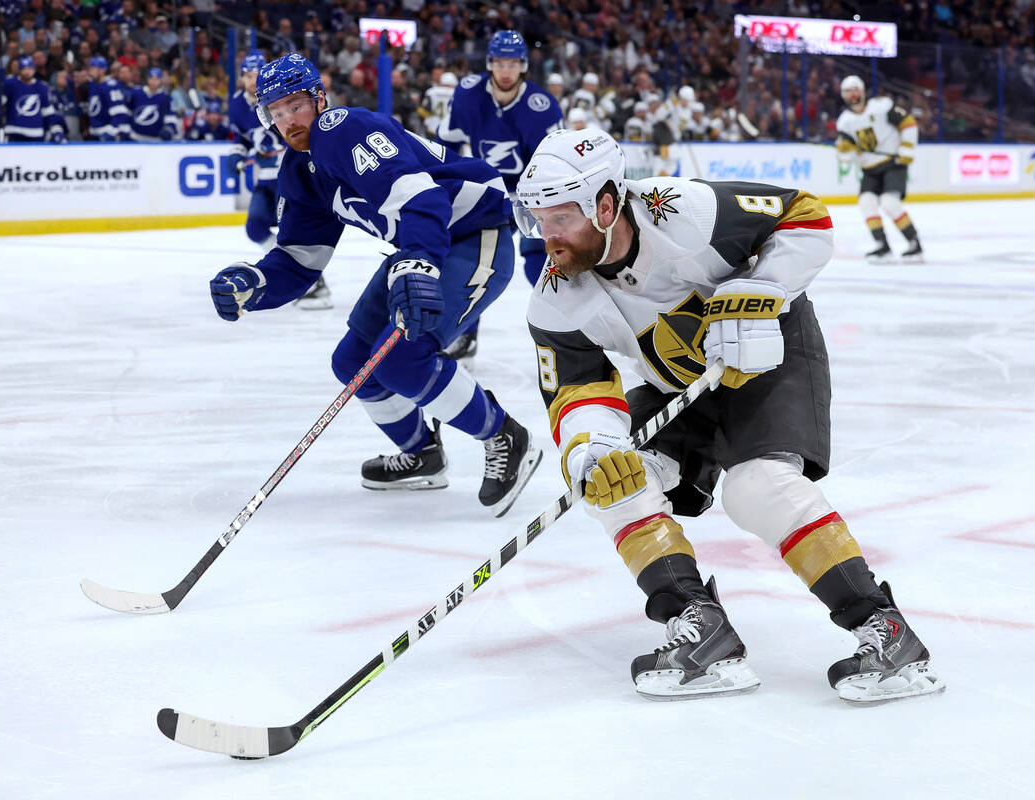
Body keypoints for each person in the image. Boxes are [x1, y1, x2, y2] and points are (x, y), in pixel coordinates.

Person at [515, 128, 945, 704]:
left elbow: (805, 215)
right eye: (537, 218)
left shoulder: (682, 213)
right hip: (679, 385)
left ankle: (885, 631)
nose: (548, 236)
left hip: (774, 355)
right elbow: (578, 393)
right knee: (612, 477)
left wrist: (758, 290)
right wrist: (593, 445)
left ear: (606, 203)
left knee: (757, 488)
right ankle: (702, 627)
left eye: (561, 217)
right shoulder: (556, 297)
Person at [208, 52, 542, 516]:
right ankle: (422, 454)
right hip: (418, 248)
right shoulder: (300, 169)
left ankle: (505, 435)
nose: (287, 120)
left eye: (295, 105)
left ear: (319, 99)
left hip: (471, 234)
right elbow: (302, 259)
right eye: (276, 112)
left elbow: (417, 195)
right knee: (352, 361)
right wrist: (256, 281)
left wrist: (420, 261)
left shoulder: (341, 128)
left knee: (402, 357)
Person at [436, 30, 564, 362]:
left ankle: (561, 318)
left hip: (530, 188)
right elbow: (446, 143)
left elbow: (552, 160)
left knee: (538, 251)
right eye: (499, 63)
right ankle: (464, 333)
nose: (506, 71)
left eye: (513, 63)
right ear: (490, 64)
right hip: (485, 189)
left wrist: (537, 203)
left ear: (523, 66)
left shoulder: (542, 106)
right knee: (470, 258)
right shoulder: (467, 93)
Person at [228, 50, 331, 309]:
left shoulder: (281, 95)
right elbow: (242, 137)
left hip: (287, 175)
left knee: (293, 233)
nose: (252, 81)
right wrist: (237, 153)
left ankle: (313, 282)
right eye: (247, 75)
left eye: (256, 75)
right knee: (255, 228)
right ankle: (294, 274)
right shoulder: (237, 104)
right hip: (264, 179)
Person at [835, 76, 923, 263]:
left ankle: (914, 244)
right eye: (848, 91)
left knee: (889, 203)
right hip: (869, 169)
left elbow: (908, 123)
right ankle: (882, 246)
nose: (853, 94)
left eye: (855, 89)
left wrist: (906, 149)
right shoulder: (844, 121)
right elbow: (846, 152)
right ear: (843, 95)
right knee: (867, 203)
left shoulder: (881, 106)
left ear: (862, 90)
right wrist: (844, 151)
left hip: (893, 164)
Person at [1, 54, 63, 142]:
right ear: (19, 70)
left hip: (35, 133)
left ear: (34, 69)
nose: (27, 72)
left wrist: (56, 129)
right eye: (24, 69)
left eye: (29, 68)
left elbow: (48, 111)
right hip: (14, 132)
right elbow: (1, 104)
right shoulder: (10, 84)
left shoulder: (41, 87)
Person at [129, 66, 179, 141]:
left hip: (156, 139)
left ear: (160, 80)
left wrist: (169, 128)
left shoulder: (165, 98)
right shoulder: (136, 93)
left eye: (156, 79)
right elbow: (128, 111)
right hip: (135, 137)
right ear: (147, 79)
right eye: (151, 79)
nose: (154, 82)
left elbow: (170, 116)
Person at [86, 55, 130, 141]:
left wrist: (110, 131)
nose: (90, 73)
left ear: (102, 70)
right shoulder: (92, 84)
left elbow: (120, 113)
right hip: (95, 133)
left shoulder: (110, 85)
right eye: (89, 69)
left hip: (108, 132)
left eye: (93, 69)